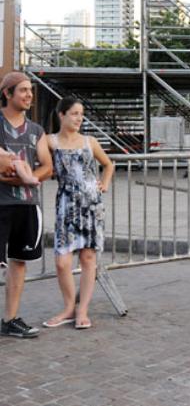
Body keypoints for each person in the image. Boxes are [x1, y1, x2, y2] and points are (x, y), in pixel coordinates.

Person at [43, 96, 113, 330]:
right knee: (62, 261)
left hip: (91, 204)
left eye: (81, 114)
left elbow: (108, 164)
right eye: (74, 113)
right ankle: (68, 308)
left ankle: (82, 310)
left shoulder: (89, 141)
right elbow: (40, 162)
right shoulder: (50, 141)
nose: (79, 118)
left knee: (88, 258)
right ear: (61, 115)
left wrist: (104, 183)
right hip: (66, 205)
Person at [0, 71, 53, 338]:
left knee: (19, 261)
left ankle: (10, 319)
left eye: (30, 90)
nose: (29, 95)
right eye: (22, 90)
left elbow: (47, 166)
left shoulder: (36, 130)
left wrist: (27, 181)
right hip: (0, 203)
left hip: (27, 204)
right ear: (7, 94)